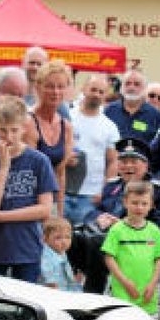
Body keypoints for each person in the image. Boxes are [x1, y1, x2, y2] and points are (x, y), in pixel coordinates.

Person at [69, 138, 160, 294]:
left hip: (139, 240)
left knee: (97, 241)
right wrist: (100, 217)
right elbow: (93, 211)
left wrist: (126, 224)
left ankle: (94, 290)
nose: (128, 166)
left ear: (145, 165)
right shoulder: (113, 185)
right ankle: (71, 282)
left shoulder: (159, 189)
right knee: (73, 235)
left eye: (134, 161)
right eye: (123, 161)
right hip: (108, 236)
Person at [0, 96, 58, 283]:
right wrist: (3, 168)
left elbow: (44, 210)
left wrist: (0, 216)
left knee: (25, 302)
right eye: (3, 131)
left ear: (24, 127)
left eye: (14, 130)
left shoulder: (39, 161)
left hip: (26, 248)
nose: (9, 136)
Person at [101, 180, 160, 315]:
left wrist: (152, 285)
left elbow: (159, 259)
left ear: (151, 205)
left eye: (144, 204)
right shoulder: (117, 230)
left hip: (147, 293)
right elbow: (109, 258)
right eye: (134, 203)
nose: (139, 207)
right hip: (123, 292)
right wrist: (126, 283)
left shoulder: (154, 230)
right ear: (125, 202)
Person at [65, 73, 120, 227]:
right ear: (83, 88)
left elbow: (113, 161)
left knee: (83, 240)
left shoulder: (109, 126)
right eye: (93, 89)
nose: (96, 94)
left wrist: (104, 190)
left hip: (90, 196)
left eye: (101, 92)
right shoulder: (67, 117)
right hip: (62, 191)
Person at [22, 60, 74, 208]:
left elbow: (60, 174)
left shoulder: (67, 126)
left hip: (51, 201)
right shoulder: (28, 121)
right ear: (38, 87)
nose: (56, 92)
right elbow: (28, 170)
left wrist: (59, 212)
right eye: (50, 86)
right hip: (28, 201)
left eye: (60, 87)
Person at [103, 68, 160, 144]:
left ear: (145, 88)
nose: (131, 88)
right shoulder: (109, 111)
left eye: (137, 84)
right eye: (128, 83)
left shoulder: (156, 116)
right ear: (121, 87)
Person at [39, 217, 84, 292]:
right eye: (58, 238)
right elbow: (51, 284)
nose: (64, 241)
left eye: (68, 237)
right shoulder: (47, 259)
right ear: (45, 239)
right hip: (57, 295)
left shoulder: (61, 251)